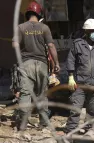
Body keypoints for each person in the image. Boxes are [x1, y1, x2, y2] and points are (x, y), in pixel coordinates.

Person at [12, 1, 60, 131]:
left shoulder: (21, 27)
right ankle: (43, 123)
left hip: (26, 64)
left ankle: (22, 124)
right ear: (39, 14)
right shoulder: (44, 28)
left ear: (28, 14)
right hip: (42, 65)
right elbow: (51, 46)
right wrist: (56, 63)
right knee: (42, 94)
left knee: (25, 94)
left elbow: (15, 44)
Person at [61, 19, 94, 134]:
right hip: (80, 83)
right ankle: (71, 134)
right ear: (86, 31)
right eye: (92, 31)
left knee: (93, 111)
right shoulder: (77, 44)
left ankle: (89, 134)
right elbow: (70, 61)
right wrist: (71, 77)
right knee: (75, 110)